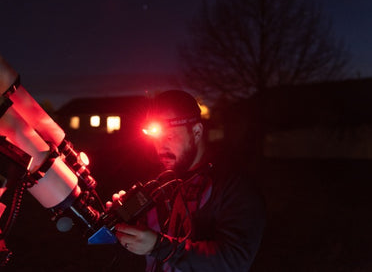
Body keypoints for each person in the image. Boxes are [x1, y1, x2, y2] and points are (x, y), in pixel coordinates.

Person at [112, 90, 266, 271]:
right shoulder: (162, 182)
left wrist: (159, 246)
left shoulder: (234, 185)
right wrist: (125, 225)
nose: (160, 148)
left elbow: (233, 260)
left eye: (169, 136)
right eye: (155, 138)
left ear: (197, 131)